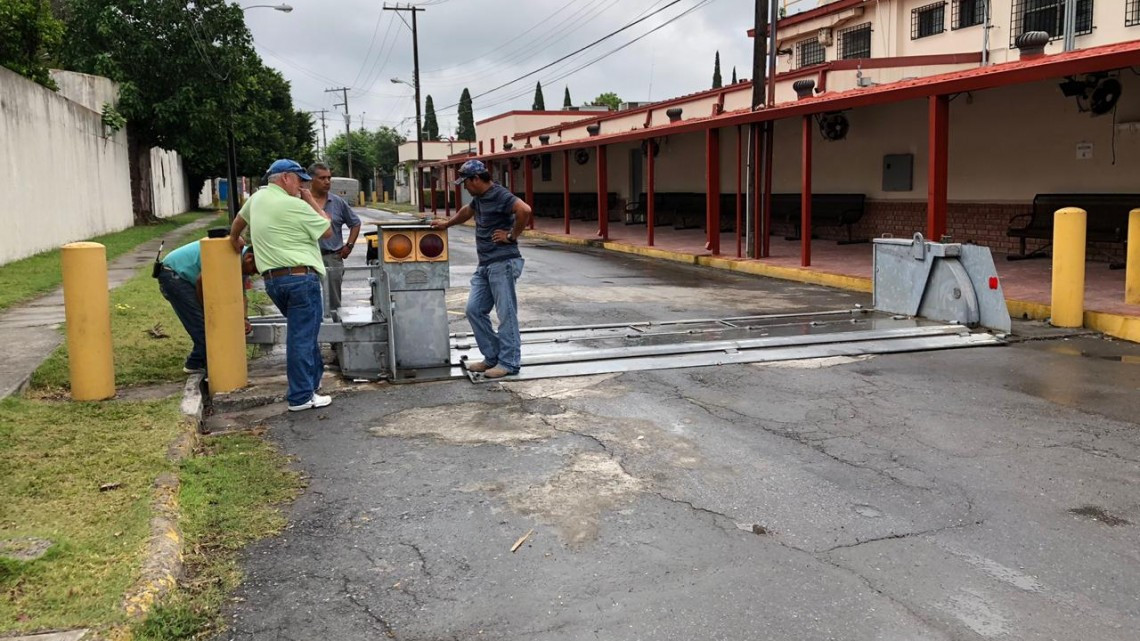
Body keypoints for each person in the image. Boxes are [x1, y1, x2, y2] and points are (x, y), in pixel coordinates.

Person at [229, 159, 334, 411]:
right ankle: (300, 396)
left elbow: (238, 222)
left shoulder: (257, 199)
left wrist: (235, 239)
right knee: (302, 338)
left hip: (273, 282)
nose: (301, 186)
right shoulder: (293, 205)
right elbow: (327, 230)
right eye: (299, 180)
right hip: (301, 279)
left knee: (305, 333)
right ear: (285, 178)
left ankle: (312, 384)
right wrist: (309, 200)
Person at [430, 159, 531, 379]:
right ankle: (493, 356)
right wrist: (447, 223)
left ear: (476, 179)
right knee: (474, 310)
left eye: (465, 182)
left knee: (506, 314)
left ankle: (509, 362)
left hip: (502, 262)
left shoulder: (500, 195)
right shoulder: (479, 199)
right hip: (485, 264)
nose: (464, 187)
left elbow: (524, 209)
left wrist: (512, 235)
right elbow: (467, 211)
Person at [157, 240, 258, 375]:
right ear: (249, 258)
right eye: (253, 270)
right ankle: (201, 365)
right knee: (206, 326)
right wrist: (207, 309)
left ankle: (200, 362)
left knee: (211, 325)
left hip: (186, 276)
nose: (253, 274)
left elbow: (241, 294)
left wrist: (244, 319)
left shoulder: (240, 259)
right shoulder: (228, 255)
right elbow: (202, 280)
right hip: (175, 275)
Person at [308, 162, 362, 315]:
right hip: (306, 259)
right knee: (309, 302)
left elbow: (355, 223)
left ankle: (336, 338)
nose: (327, 182)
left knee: (333, 303)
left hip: (332, 257)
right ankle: (314, 337)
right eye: (322, 178)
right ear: (311, 179)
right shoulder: (300, 202)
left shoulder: (337, 202)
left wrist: (349, 246)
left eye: (329, 178)